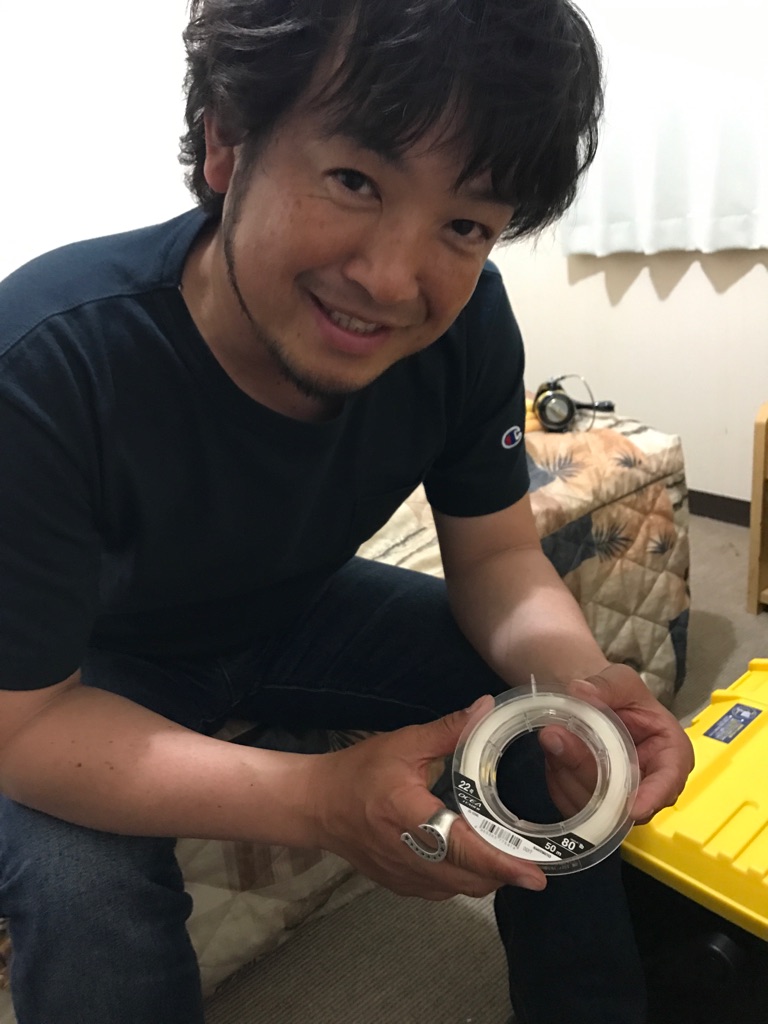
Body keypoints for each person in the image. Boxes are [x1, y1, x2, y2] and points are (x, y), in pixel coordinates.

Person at [0, 2, 694, 1022]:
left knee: (546, 729)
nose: (391, 281)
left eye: (464, 225)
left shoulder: (467, 329)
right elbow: (25, 727)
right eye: (355, 180)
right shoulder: (48, 363)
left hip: (298, 606)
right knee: (82, 894)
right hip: (91, 662)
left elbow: (498, 558)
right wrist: (319, 800)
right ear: (226, 143)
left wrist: (581, 691)